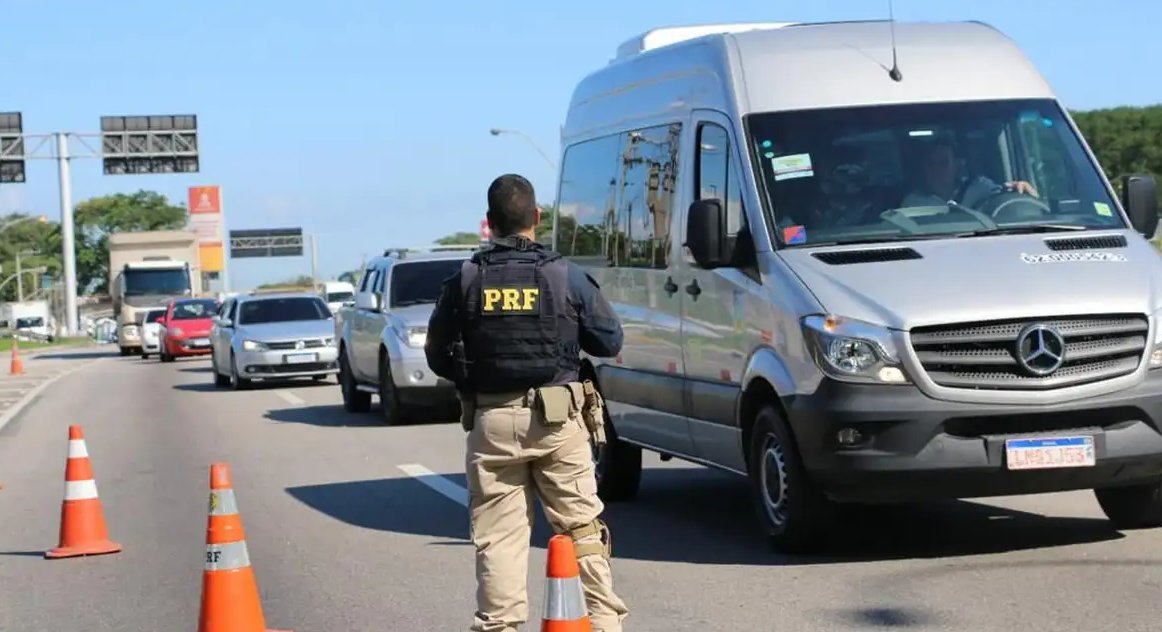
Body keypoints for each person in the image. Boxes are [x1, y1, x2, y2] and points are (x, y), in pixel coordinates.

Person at [424, 173, 630, 632]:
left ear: (489, 223)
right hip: (558, 421)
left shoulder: (466, 279)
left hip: (492, 420)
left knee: (499, 540)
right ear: (536, 217)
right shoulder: (563, 274)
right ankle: (603, 624)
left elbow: (437, 354)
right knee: (581, 530)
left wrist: (475, 378)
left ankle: (499, 627)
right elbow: (610, 339)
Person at [900, 137, 1039, 208]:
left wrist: (1020, 187)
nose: (936, 169)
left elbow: (1005, 197)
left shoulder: (980, 188)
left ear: (957, 165)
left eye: (943, 163)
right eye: (931, 163)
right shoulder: (913, 203)